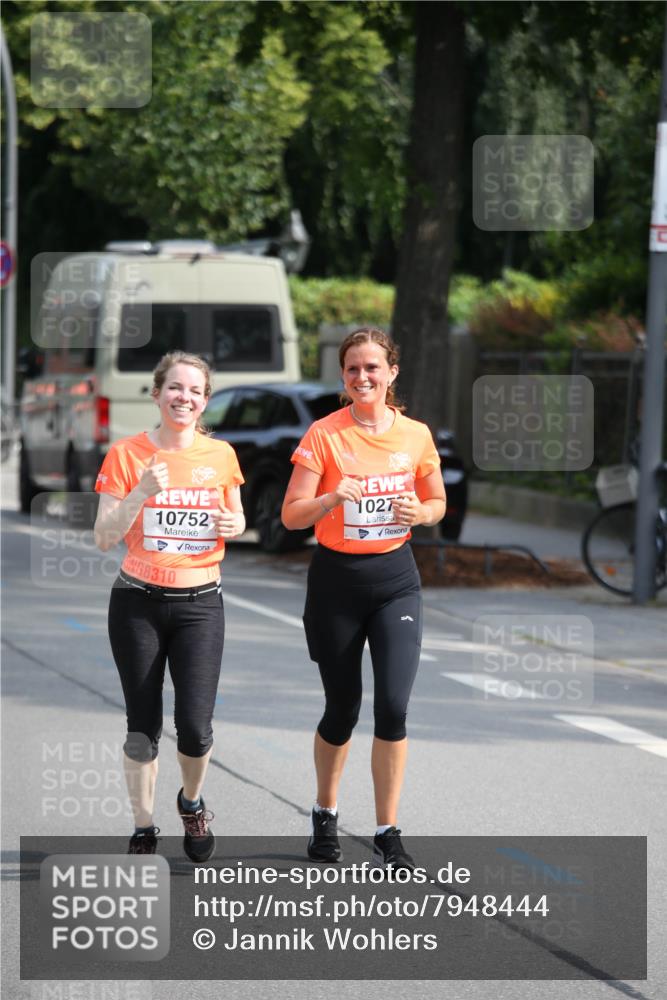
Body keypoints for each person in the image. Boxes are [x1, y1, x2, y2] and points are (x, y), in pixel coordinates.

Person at [281, 327, 446, 870]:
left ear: (392, 372)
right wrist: (331, 496)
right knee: (342, 708)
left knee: (394, 707)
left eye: (372, 367)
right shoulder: (325, 435)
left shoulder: (416, 435)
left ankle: (386, 831)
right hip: (336, 583)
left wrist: (421, 514)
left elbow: (437, 500)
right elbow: (291, 515)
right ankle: (325, 814)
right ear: (343, 377)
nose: (362, 377)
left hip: (395, 579)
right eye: (352, 369)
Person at [93, 351, 245, 860]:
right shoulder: (126, 454)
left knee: (197, 728)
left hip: (201, 604)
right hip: (137, 603)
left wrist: (234, 527)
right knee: (142, 727)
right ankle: (142, 826)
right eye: (175, 388)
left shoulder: (221, 456)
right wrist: (139, 491)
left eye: (195, 391)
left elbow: (237, 518)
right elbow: (103, 537)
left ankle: (192, 801)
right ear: (157, 394)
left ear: (205, 402)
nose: (184, 398)